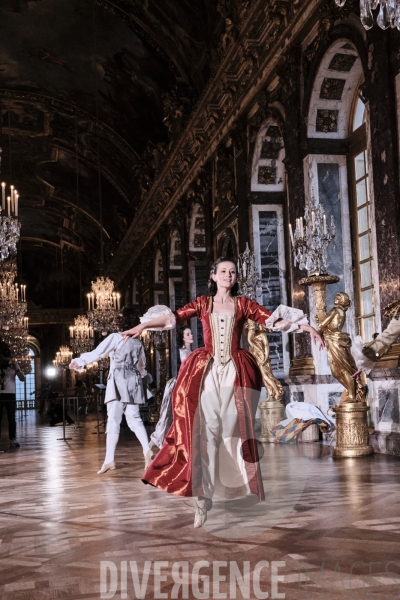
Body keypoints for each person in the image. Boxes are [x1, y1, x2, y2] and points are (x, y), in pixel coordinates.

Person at [122, 257, 324, 528]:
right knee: (208, 432)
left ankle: (224, 487)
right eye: (223, 271)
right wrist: (143, 325)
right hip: (206, 374)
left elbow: (271, 320)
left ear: (235, 277)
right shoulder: (203, 303)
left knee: (230, 432)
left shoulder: (244, 304)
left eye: (232, 271)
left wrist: (306, 326)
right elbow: (174, 316)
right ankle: (202, 497)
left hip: (234, 373)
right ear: (214, 276)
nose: (229, 275)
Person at [69, 307, 151, 474]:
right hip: (133, 381)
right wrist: (141, 379)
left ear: (122, 322)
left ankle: (109, 460)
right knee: (134, 418)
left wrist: (79, 361)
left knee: (113, 420)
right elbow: (141, 367)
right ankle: (147, 450)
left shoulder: (116, 338)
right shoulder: (138, 342)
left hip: (118, 379)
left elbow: (98, 353)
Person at [147, 327, 193, 465]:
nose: (191, 336)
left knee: (175, 419)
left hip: (185, 386)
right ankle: (150, 447)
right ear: (182, 338)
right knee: (169, 417)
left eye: (191, 333)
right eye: (188, 334)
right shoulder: (184, 352)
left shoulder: (191, 351)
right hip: (180, 386)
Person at [0, 343, 25, 448]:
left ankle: (13, 439)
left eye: (8, 356)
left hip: (10, 394)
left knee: (11, 417)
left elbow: (22, 379)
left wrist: (17, 370)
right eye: (4, 356)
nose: (6, 358)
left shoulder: (14, 365)